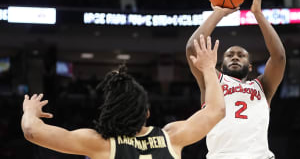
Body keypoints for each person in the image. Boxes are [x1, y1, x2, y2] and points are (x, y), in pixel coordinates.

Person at [21, 35, 225, 159]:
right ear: (147, 112)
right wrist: (208, 68)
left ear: (109, 112)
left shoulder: (100, 143)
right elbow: (216, 110)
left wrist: (30, 111)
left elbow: (32, 131)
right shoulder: (172, 137)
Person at [186, 0, 286, 159]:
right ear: (220, 64)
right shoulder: (212, 80)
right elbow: (192, 49)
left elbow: (279, 57)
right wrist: (218, 13)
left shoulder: (263, 86)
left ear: (250, 66)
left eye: (241, 55)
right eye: (230, 54)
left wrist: (258, 14)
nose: (235, 57)